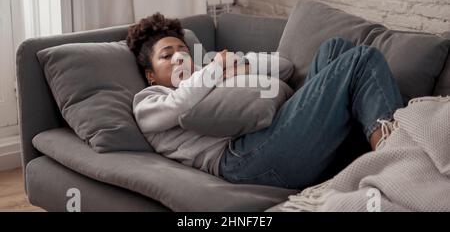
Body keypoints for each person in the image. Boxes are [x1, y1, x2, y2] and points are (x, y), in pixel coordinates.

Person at [127, 13, 404, 190]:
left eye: (183, 50)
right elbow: (179, 105)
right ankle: (396, 159)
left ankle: (370, 146)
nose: (178, 58)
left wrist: (238, 65)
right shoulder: (149, 101)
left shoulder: (209, 75)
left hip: (272, 133)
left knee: (336, 48)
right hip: (243, 161)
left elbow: (284, 67)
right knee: (361, 59)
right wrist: (213, 70)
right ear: (151, 75)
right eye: (166, 55)